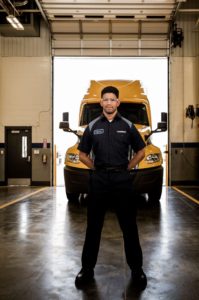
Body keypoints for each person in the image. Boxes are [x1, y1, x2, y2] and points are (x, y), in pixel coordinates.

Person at [75, 85, 147, 289]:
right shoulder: (92, 126)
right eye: (105, 99)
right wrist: (95, 168)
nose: (108, 103)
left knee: (129, 226)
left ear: (118, 102)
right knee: (93, 227)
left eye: (112, 99)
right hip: (99, 181)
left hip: (121, 180)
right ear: (101, 103)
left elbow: (141, 151)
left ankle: (137, 269)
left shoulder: (128, 125)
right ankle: (86, 270)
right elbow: (82, 154)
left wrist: (127, 168)